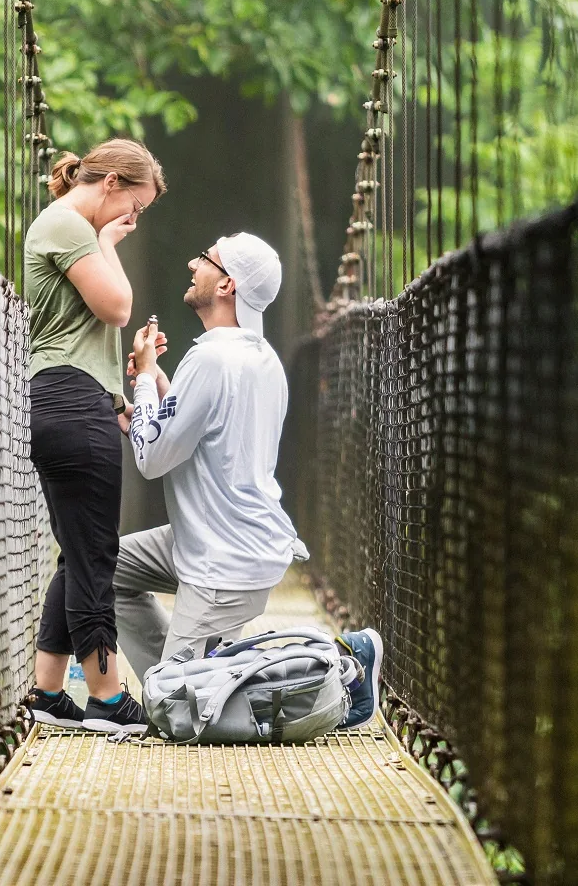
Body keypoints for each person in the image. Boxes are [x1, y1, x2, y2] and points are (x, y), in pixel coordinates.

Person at [116, 232, 384, 727]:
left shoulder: (211, 359)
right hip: (220, 542)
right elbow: (200, 430)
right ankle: (187, 677)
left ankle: (343, 671)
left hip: (223, 564)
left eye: (206, 259)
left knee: (177, 713)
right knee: (107, 568)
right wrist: (153, 395)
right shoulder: (262, 359)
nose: (193, 263)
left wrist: (146, 378)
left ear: (227, 285)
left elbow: (152, 459)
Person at [23, 139, 164, 736]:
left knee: (78, 551)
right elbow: (117, 306)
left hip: (76, 400)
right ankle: (106, 697)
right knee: (96, 553)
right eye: (136, 206)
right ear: (110, 184)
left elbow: (85, 335)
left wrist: (116, 397)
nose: (134, 220)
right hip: (70, 404)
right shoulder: (69, 227)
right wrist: (108, 243)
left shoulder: (72, 228)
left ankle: (48, 691)